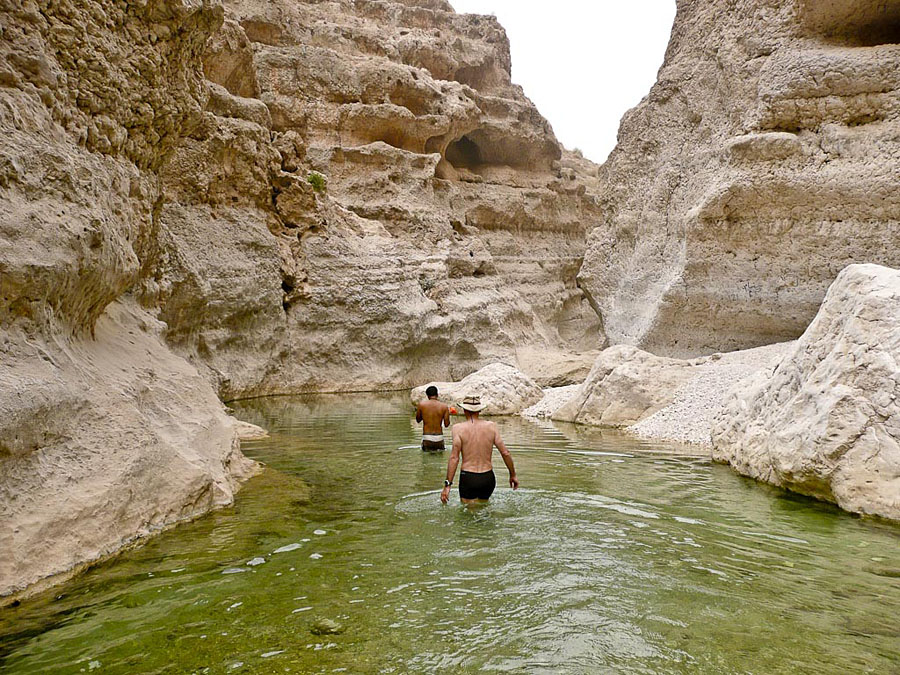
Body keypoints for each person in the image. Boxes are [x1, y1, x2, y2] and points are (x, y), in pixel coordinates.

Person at [440, 394, 518, 504]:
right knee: (483, 509)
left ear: (464, 410)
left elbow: (454, 458)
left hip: (468, 477)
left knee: (469, 516)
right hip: (488, 478)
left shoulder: (458, 428)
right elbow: (505, 453)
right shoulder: (492, 426)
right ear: (479, 410)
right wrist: (512, 474)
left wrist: (447, 485)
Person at [416, 385, 451, 451]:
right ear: (437, 394)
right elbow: (447, 425)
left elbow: (418, 420)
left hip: (427, 437)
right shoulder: (444, 407)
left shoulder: (422, 405)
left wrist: (425, 415)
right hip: (439, 438)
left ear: (427, 395)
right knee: (439, 460)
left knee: (426, 460)